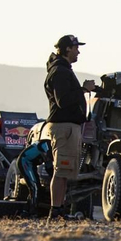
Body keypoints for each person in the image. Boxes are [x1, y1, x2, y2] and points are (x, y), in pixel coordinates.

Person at [42, 34, 98, 221]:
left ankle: (59, 210)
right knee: (60, 171)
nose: (78, 51)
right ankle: (55, 211)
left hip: (68, 127)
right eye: (75, 48)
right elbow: (63, 100)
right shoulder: (60, 71)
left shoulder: (61, 70)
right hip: (64, 127)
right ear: (67, 49)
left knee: (64, 172)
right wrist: (83, 89)